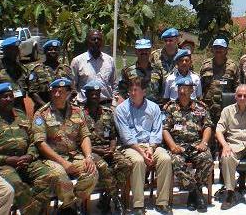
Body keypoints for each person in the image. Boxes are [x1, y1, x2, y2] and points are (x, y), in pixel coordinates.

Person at [0, 82, 60, 215]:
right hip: (3, 165)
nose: (9, 99)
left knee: (48, 175)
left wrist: (30, 155)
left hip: (26, 161)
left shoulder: (21, 115)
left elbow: (33, 140)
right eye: (5, 97)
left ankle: (37, 211)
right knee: (17, 184)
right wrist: (6, 159)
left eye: (11, 96)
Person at [32, 78, 98, 214]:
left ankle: (70, 205)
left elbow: (85, 136)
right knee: (60, 175)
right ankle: (70, 207)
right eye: (54, 91)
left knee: (92, 172)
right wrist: (63, 163)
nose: (56, 94)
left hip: (73, 155)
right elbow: (40, 143)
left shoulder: (77, 111)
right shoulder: (41, 114)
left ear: (68, 93)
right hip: (52, 158)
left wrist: (88, 157)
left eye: (61, 92)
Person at [114, 77, 172, 214]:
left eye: (136, 90)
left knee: (165, 159)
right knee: (139, 161)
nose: (132, 93)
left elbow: (156, 131)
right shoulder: (121, 109)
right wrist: (141, 151)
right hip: (131, 147)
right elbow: (126, 136)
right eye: (130, 90)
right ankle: (138, 204)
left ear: (144, 92)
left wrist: (151, 149)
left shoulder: (154, 107)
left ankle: (162, 202)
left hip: (151, 145)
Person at [163, 76, 213, 212]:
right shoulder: (170, 107)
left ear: (192, 90)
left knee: (207, 159)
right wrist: (172, 146)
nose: (182, 91)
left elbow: (208, 126)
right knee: (176, 161)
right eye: (180, 88)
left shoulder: (200, 107)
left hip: (196, 144)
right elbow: (165, 129)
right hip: (178, 145)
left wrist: (204, 143)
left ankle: (192, 194)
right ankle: (196, 192)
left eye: (186, 88)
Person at [81, 81, 127, 212]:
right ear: (86, 95)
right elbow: (79, 141)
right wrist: (97, 150)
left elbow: (113, 136)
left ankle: (106, 197)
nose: (95, 97)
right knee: (104, 166)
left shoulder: (107, 112)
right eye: (92, 94)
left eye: (97, 94)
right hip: (90, 151)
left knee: (125, 164)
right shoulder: (79, 114)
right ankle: (115, 199)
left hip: (107, 149)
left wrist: (112, 149)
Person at [70, 29, 116, 104]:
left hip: (106, 105)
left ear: (102, 42)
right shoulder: (77, 61)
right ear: (87, 42)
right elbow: (72, 85)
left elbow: (114, 84)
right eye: (93, 39)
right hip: (84, 105)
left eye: (99, 39)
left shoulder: (110, 60)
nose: (96, 41)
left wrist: (114, 102)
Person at [200, 38, 238, 130]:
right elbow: (199, 86)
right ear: (212, 49)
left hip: (226, 106)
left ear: (226, 50)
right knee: (207, 129)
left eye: (221, 48)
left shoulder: (232, 66)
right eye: (216, 47)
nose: (218, 50)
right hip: (207, 105)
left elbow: (237, 87)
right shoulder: (206, 65)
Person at [28, 39, 72, 108]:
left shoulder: (66, 69)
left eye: (56, 49)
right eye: (50, 49)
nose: (53, 51)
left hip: (63, 108)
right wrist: (46, 107)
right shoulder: (37, 69)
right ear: (45, 52)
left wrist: (62, 103)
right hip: (42, 108)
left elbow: (72, 90)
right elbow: (32, 92)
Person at [119, 38, 165, 104]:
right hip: (134, 107)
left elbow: (162, 90)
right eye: (140, 50)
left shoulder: (158, 70)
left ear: (150, 51)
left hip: (154, 107)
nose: (144, 52)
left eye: (146, 50)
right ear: (136, 51)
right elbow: (122, 91)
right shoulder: (127, 71)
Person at [0, 36, 30, 111]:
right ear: (4, 51)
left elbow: (28, 89)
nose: (15, 52)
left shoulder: (23, 69)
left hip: (19, 109)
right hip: (2, 109)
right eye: (11, 49)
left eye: (16, 49)